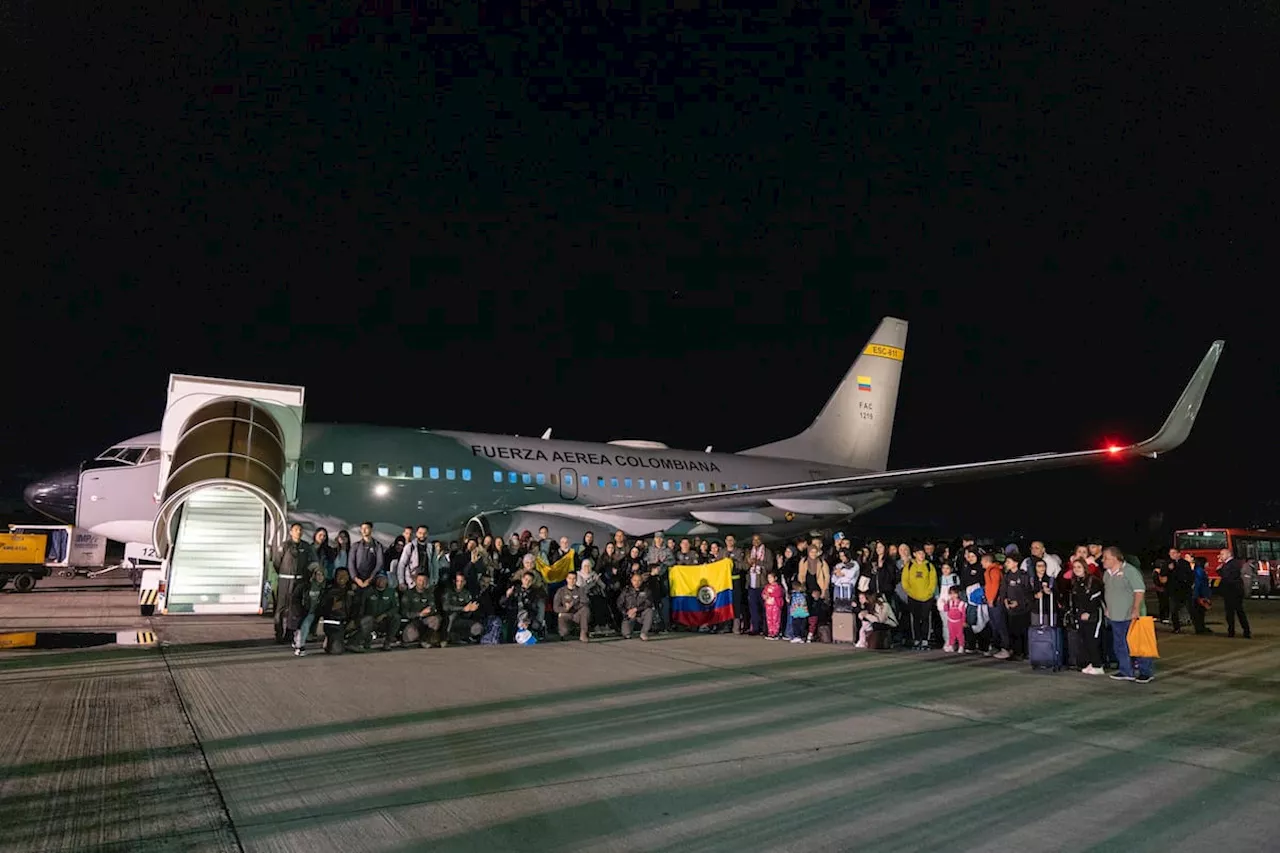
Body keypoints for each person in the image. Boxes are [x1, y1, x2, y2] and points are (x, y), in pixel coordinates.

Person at [1101, 546, 1154, 683]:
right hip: (1115, 616)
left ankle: (1145, 672)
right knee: (1120, 645)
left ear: (1115, 558)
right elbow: (1109, 592)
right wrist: (1108, 608)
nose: (1103, 560)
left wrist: (1136, 609)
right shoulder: (1107, 574)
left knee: (1139, 644)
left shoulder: (1130, 571)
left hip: (1132, 616)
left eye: (1105, 558)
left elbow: (1139, 591)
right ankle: (1126, 671)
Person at [274, 522, 319, 645]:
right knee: (281, 608)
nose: (298, 532)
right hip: (284, 580)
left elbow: (313, 563)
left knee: (295, 609)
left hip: (299, 581)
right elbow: (277, 563)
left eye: (300, 530)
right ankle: (278, 634)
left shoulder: (306, 547)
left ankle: (290, 633)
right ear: (291, 532)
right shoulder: (285, 546)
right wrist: (284, 574)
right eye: (296, 529)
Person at [1066, 558, 1105, 675]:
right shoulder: (1076, 582)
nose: (1077, 569)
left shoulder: (1093, 581)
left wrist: (1089, 612)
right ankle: (1091, 663)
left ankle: (1098, 666)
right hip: (1081, 616)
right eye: (1075, 567)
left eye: (1079, 567)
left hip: (1093, 616)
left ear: (1084, 568)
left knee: (1093, 640)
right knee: (1084, 640)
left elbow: (1097, 598)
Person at [901, 546, 938, 650]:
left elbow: (933, 581)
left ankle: (925, 639)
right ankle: (917, 639)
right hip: (913, 597)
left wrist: (929, 593)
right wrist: (910, 592)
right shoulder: (909, 566)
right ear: (914, 554)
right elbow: (905, 581)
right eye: (919, 553)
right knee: (915, 619)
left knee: (926, 618)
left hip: (926, 598)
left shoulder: (929, 566)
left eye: (922, 553)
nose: (921, 555)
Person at [356, 572, 399, 652]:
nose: (381, 581)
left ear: (387, 580)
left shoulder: (391, 592)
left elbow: (395, 608)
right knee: (365, 620)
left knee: (396, 617)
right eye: (379, 579)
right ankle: (367, 640)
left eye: (383, 579)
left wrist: (385, 615)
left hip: (385, 620)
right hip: (371, 620)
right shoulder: (368, 592)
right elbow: (362, 607)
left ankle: (387, 642)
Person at [1216, 548, 1252, 639]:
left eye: (1222, 554)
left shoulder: (1233, 564)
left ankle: (1244, 631)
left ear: (1228, 554)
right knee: (1231, 613)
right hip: (1230, 592)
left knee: (1238, 612)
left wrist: (1220, 569)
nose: (1220, 556)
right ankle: (1232, 630)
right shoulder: (1228, 564)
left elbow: (1227, 576)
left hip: (1234, 592)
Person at [553, 570, 591, 642]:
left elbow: (585, 602)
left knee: (586, 609)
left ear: (576, 580)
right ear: (567, 579)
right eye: (570, 578)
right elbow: (555, 607)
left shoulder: (580, 590)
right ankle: (564, 631)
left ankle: (583, 633)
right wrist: (565, 608)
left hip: (577, 614)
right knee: (564, 633)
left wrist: (573, 605)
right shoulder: (561, 591)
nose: (572, 580)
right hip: (565, 614)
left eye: (574, 578)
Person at [618, 570, 655, 640]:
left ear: (642, 581)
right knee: (626, 634)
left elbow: (648, 603)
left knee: (649, 611)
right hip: (629, 615)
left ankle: (644, 633)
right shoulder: (626, 590)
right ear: (631, 581)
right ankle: (629, 631)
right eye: (634, 580)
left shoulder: (646, 590)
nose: (637, 583)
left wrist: (636, 609)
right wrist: (626, 613)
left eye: (639, 580)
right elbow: (619, 604)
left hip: (641, 614)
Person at [941, 586, 966, 653]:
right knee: (951, 635)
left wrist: (963, 622)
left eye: (955, 593)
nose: (953, 595)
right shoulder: (949, 602)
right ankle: (951, 646)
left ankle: (961, 646)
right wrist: (945, 603)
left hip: (959, 622)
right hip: (950, 622)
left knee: (960, 635)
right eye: (951, 593)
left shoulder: (961, 603)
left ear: (958, 594)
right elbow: (945, 609)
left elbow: (963, 614)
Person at [763, 570, 785, 639]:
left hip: (775, 605)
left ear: (775, 578)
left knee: (776, 619)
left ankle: (776, 632)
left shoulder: (778, 587)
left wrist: (769, 594)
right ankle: (770, 632)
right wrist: (764, 596)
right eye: (768, 578)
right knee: (769, 619)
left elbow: (778, 594)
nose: (769, 579)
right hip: (768, 605)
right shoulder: (767, 586)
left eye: (771, 577)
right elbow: (763, 593)